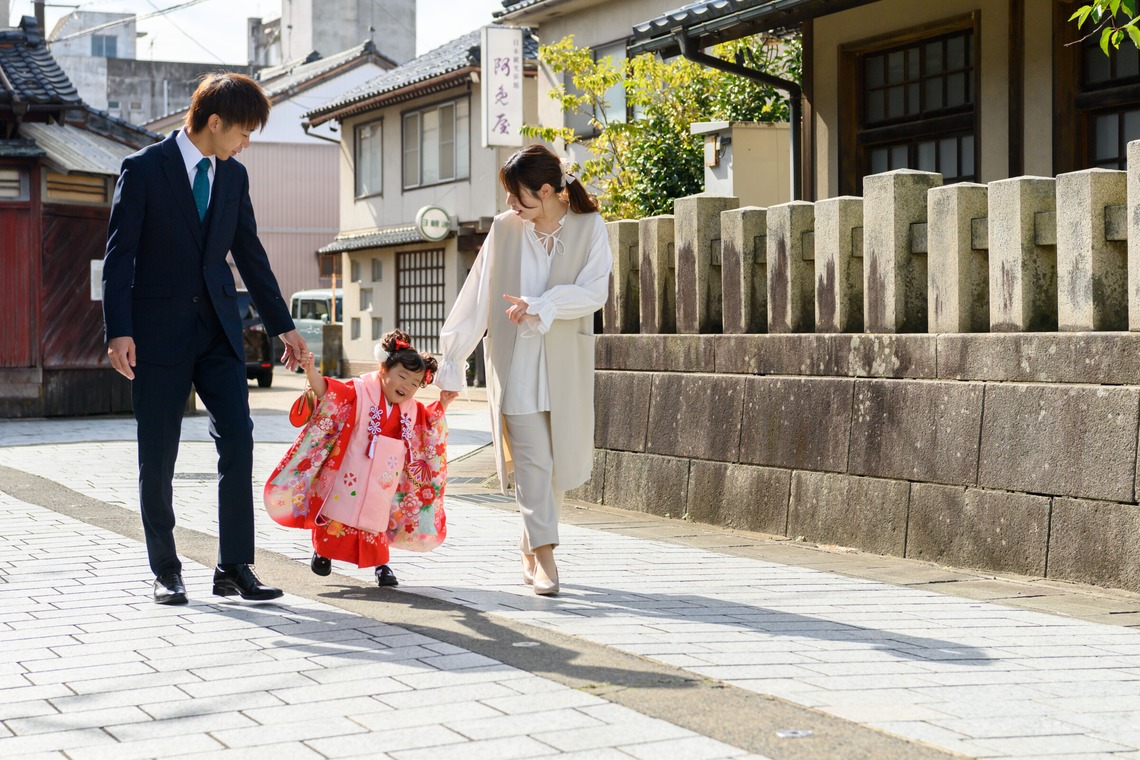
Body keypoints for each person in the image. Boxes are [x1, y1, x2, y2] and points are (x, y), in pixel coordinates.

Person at [103, 73, 307, 606]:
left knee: (238, 438)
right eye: (243, 131)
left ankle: (235, 565)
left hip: (219, 330)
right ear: (214, 122)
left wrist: (284, 326)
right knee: (159, 451)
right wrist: (118, 330)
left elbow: (251, 256)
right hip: (156, 334)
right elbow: (120, 256)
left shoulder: (233, 177)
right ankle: (166, 569)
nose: (246, 143)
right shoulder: (144, 169)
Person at [435, 144, 613, 596]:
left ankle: (528, 546)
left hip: (564, 365)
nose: (511, 206)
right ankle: (548, 555)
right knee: (533, 460)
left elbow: (594, 293)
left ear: (549, 190)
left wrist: (543, 304)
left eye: (519, 197)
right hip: (514, 362)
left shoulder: (591, 227)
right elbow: (477, 295)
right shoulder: (504, 229)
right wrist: (452, 362)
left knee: (556, 466)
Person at [263, 330, 456, 586]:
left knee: (376, 519)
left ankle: (381, 565)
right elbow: (330, 393)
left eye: (414, 383)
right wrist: (311, 371)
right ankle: (323, 552)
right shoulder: (360, 390)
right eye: (402, 376)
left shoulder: (411, 409)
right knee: (339, 511)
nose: (406, 387)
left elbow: (427, 424)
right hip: (351, 468)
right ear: (384, 369)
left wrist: (442, 404)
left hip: (384, 477)